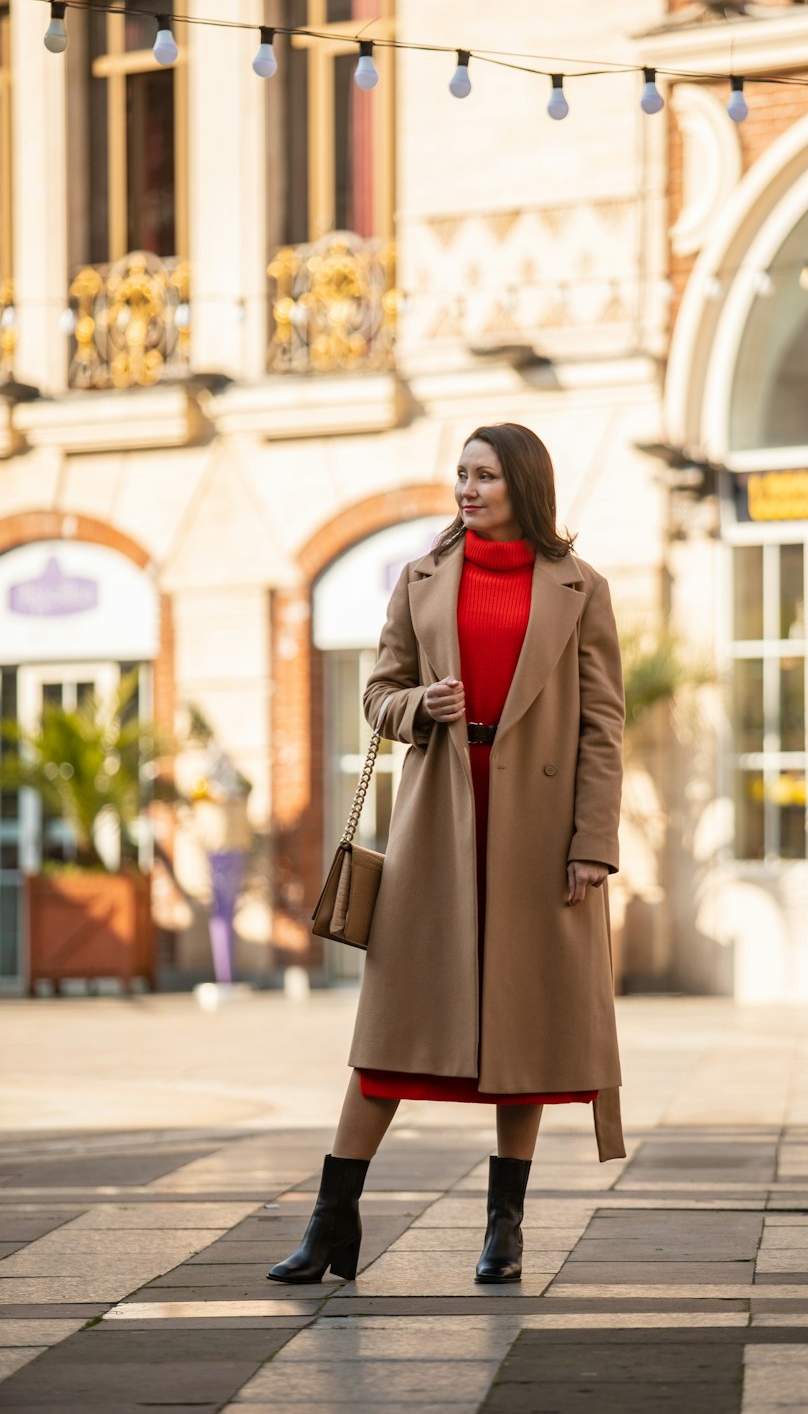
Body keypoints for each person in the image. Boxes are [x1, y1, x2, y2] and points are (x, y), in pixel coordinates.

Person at [268, 422, 625, 1289]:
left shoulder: (580, 587)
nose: (466, 489)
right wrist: (420, 705)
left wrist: (593, 845)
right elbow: (376, 694)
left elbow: (603, 726)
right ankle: (331, 1221)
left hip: (537, 834)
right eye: (460, 474)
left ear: (524, 486)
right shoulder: (421, 579)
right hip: (439, 827)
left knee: (524, 1035)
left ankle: (505, 1229)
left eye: (485, 476)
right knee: (391, 1033)